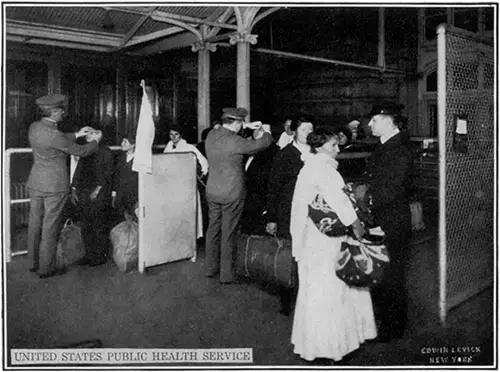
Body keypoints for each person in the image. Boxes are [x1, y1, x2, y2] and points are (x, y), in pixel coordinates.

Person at [290, 127, 377, 363]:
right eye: (332, 145)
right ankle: (332, 347)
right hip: (327, 239)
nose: (337, 149)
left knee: (315, 288)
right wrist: (357, 227)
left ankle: (314, 345)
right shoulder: (325, 169)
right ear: (319, 147)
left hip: (311, 236)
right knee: (333, 287)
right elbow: (341, 204)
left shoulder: (307, 168)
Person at [355, 103, 414, 342]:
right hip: (379, 218)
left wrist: (364, 199)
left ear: (389, 121)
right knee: (380, 272)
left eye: (375, 120)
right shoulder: (385, 146)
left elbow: (391, 189)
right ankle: (383, 320)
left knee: (392, 275)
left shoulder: (399, 149)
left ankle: (393, 328)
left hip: (391, 220)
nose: (370, 124)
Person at [27, 94, 101, 278]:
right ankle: (47, 268)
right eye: (61, 111)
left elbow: (58, 138)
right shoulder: (54, 134)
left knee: (35, 223)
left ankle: (33, 262)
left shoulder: (35, 127)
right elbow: (81, 151)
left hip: (36, 182)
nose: (63, 114)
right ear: (53, 112)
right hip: (54, 186)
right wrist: (95, 141)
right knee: (50, 226)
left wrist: (77, 134)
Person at [204, 107, 273, 284]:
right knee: (229, 231)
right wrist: (266, 132)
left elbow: (227, 132)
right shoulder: (235, 141)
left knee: (213, 229)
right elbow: (260, 144)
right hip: (231, 192)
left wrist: (245, 126)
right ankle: (227, 274)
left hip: (212, 190)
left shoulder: (212, 135)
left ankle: (210, 268)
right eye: (240, 122)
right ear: (236, 123)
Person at [265, 117, 314, 315]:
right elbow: (274, 187)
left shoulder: (316, 153)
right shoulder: (285, 155)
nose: (309, 134)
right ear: (293, 132)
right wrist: (271, 216)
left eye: (311, 130)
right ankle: (286, 301)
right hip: (288, 212)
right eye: (304, 130)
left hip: (312, 212)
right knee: (288, 254)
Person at [71, 129, 114, 266]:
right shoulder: (87, 150)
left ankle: (99, 257)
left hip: (98, 194)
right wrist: (73, 188)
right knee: (85, 225)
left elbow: (108, 175)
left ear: (99, 135)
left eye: (91, 133)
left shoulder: (106, 152)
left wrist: (97, 191)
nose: (87, 135)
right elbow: (79, 171)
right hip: (84, 192)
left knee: (98, 225)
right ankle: (88, 255)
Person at [164, 125, 208, 238]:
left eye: (176, 134)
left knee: (187, 217)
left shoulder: (189, 148)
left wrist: (197, 175)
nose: (173, 137)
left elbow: (204, 164)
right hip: (172, 187)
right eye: (171, 134)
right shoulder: (168, 148)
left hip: (186, 187)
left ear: (181, 135)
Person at [113, 130, 138, 223]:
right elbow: (116, 176)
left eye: (125, 142)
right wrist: (114, 194)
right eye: (122, 141)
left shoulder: (139, 159)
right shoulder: (119, 157)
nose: (121, 143)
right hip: (120, 197)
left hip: (134, 197)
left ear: (133, 145)